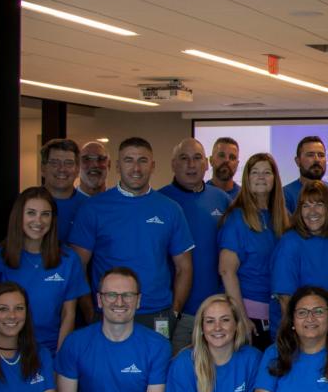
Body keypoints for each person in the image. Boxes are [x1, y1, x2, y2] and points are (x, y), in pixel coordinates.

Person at [69, 137, 195, 338]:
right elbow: (78, 266)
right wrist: (90, 312)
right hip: (108, 313)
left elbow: (184, 267)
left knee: (157, 368)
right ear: (118, 166)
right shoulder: (94, 208)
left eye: (143, 161)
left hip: (157, 314)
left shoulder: (170, 209)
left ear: (152, 166)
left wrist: (174, 313)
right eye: (128, 160)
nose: (136, 168)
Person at [0, 187, 89, 355]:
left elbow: (68, 314)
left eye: (45, 214)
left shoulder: (68, 259)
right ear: (19, 216)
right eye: (31, 213)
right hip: (8, 352)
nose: (38, 220)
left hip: (50, 351)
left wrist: (60, 359)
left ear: (53, 219)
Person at [159, 137, 230, 351]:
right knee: (173, 370)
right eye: (184, 158)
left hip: (215, 312)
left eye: (197, 158)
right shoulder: (159, 201)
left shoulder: (222, 200)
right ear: (173, 164)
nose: (191, 165)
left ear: (207, 164)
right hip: (172, 312)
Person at [219, 152, 286, 346]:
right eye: (255, 172)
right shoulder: (236, 219)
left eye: (266, 172)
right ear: (247, 179)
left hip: (277, 314)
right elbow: (226, 270)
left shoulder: (282, 217)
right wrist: (241, 317)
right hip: (249, 316)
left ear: (275, 179)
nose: (261, 177)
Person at [270, 179, 328, 315]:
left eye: (319, 204)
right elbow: (285, 298)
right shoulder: (290, 243)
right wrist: (296, 332)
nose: (312, 211)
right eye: (306, 206)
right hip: (303, 327)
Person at [282, 135, 328, 226]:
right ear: (297, 161)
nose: (317, 160)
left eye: (321, 155)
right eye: (310, 155)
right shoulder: (285, 194)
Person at [40, 138, 89, 241]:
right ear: (43, 169)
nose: (62, 169)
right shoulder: (26, 203)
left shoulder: (89, 206)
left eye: (68, 163)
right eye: (54, 163)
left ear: (77, 170)